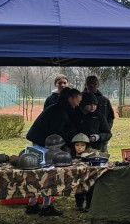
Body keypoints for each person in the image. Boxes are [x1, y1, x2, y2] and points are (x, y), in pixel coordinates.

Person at [25, 87, 83, 216]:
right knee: (48, 174)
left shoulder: (58, 108)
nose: (78, 104)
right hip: (44, 143)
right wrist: (71, 136)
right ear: (71, 99)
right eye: (77, 101)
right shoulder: (60, 112)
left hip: (39, 141)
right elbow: (57, 133)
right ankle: (46, 206)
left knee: (38, 173)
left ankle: (32, 203)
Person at [69, 133, 106, 212]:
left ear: (86, 146)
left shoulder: (92, 154)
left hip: (89, 177)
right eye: (77, 145)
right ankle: (79, 205)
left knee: (90, 189)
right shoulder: (70, 156)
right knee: (78, 190)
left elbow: (104, 158)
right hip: (77, 178)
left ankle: (89, 206)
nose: (79, 147)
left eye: (82, 145)